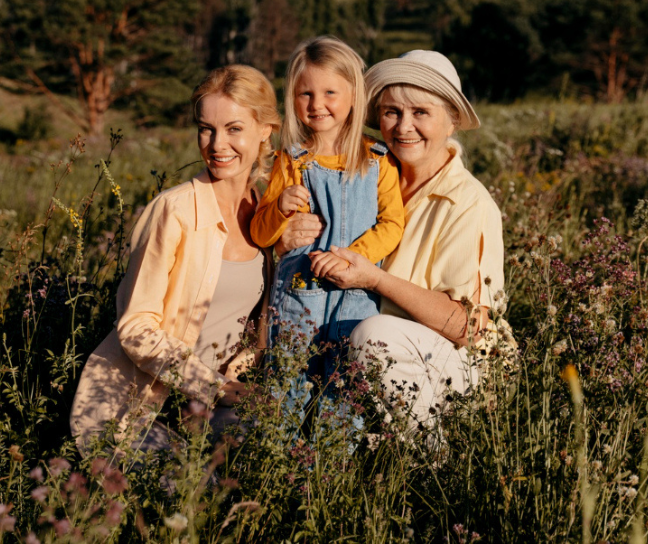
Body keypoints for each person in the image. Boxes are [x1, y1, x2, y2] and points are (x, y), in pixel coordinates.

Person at [69, 65, 281, 449]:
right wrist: (214, 387)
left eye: (234, 129)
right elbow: (135, 328)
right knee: (191, 493)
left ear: (264, 129)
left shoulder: (269, 210)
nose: (217, 144)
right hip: (136, 406)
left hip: (214, 404)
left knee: (269, 458)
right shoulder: (175, 210)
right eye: (206, 128)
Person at [296, 49, 505, 428]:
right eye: (392, 112)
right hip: (373, 360)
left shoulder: (468, 202)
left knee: (374, 334)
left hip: (458, 365)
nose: (403, 126)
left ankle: (430, 460)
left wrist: (375, 279)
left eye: (421, 113)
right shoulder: (367, 175)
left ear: (451, 121)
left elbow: (469, 328)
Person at [250, 37, 405, 390]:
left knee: (343, 388)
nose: (317, 104)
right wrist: (279, 208)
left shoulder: (378, 160)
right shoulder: (291, 160)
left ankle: (332, 448)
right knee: (288, 385)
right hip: (298, 298)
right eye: (305, 94)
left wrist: (355, 258)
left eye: (330, 93)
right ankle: (279, 445)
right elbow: (261, 233)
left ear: (354, 95)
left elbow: (392, 222)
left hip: (356, 295)